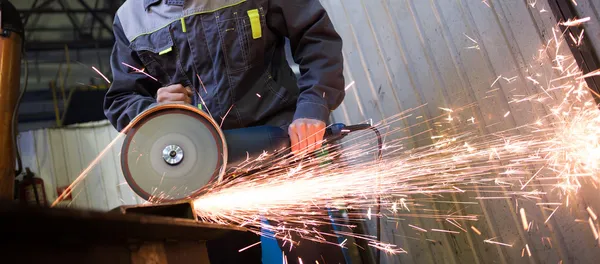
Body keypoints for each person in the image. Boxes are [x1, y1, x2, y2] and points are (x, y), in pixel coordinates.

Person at [104, 0, 347, 263]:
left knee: (312, 254)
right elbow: (121, 99)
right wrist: (155, 108)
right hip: (202, 168)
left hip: (284, 145)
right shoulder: (131, 18)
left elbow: (315, 36)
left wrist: (313, 107)